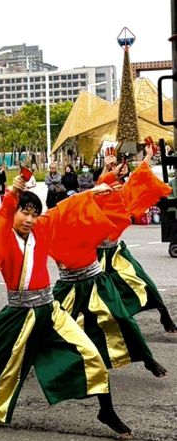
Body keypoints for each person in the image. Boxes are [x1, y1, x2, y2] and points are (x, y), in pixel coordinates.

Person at [0, 175, 132, 439]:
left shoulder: (40, 230)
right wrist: (13, 192)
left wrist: (95, 191)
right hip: (18, 313)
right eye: (24, 213)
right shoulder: (2, 236)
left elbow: (64, 209)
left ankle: (107, 411)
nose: (29, 219)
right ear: (13, 212)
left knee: (91, 355)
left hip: (50, 310)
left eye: (34, 214)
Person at [51, 158, 168, 378]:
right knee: (50, 323)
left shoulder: (95, 213)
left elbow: (117, 192)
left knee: (124, 317)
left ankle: (147, 357)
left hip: (98, 279)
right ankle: (34, 358)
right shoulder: (56, 225)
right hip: (69, 287)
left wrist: (121, 169)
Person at [94, 148, 176, 334]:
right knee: (94, 293)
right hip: (96, 254)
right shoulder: (99, 193)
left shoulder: (124, 193)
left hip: (116, 251)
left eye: (122, 171)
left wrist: (147, 155)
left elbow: (140, 176)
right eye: (116, 170)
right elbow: (101, 182)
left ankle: (165, 315)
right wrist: (107, 167)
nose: (119, 171)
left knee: (145, 282)